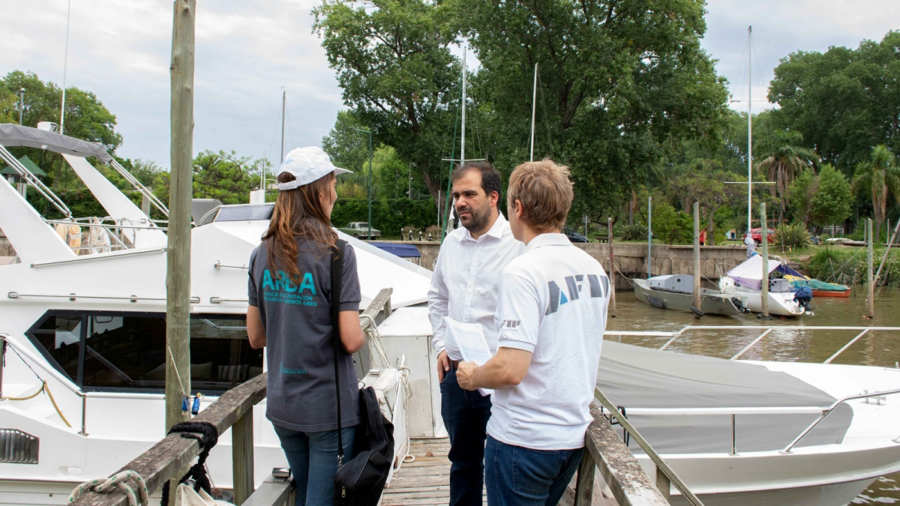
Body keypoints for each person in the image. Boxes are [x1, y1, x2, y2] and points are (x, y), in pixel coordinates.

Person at [456, 159, 610, 506]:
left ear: (518, 208)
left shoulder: (522, 272)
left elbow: (511, 369)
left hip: (523, 441)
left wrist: (473, 375)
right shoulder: (595, 270)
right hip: (571, 438)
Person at [246, 146, 365, 506]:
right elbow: (350, 339)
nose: (336, 192)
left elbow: (256, 337)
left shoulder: (260, 252)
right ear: (319, 190)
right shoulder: (336, 252)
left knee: (305, 494)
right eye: (332, 183)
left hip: (283, 406)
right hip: (327, 408)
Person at [428, 161, 523, 506]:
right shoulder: (451, 244)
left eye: (469, 194)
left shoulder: (518, 245)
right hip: (456, 374)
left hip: (499, 376)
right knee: (462, 463)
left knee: (502, 466)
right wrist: (441, 346)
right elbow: (437, 299)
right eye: (456, 196)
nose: (459, 202)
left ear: (493, 197)